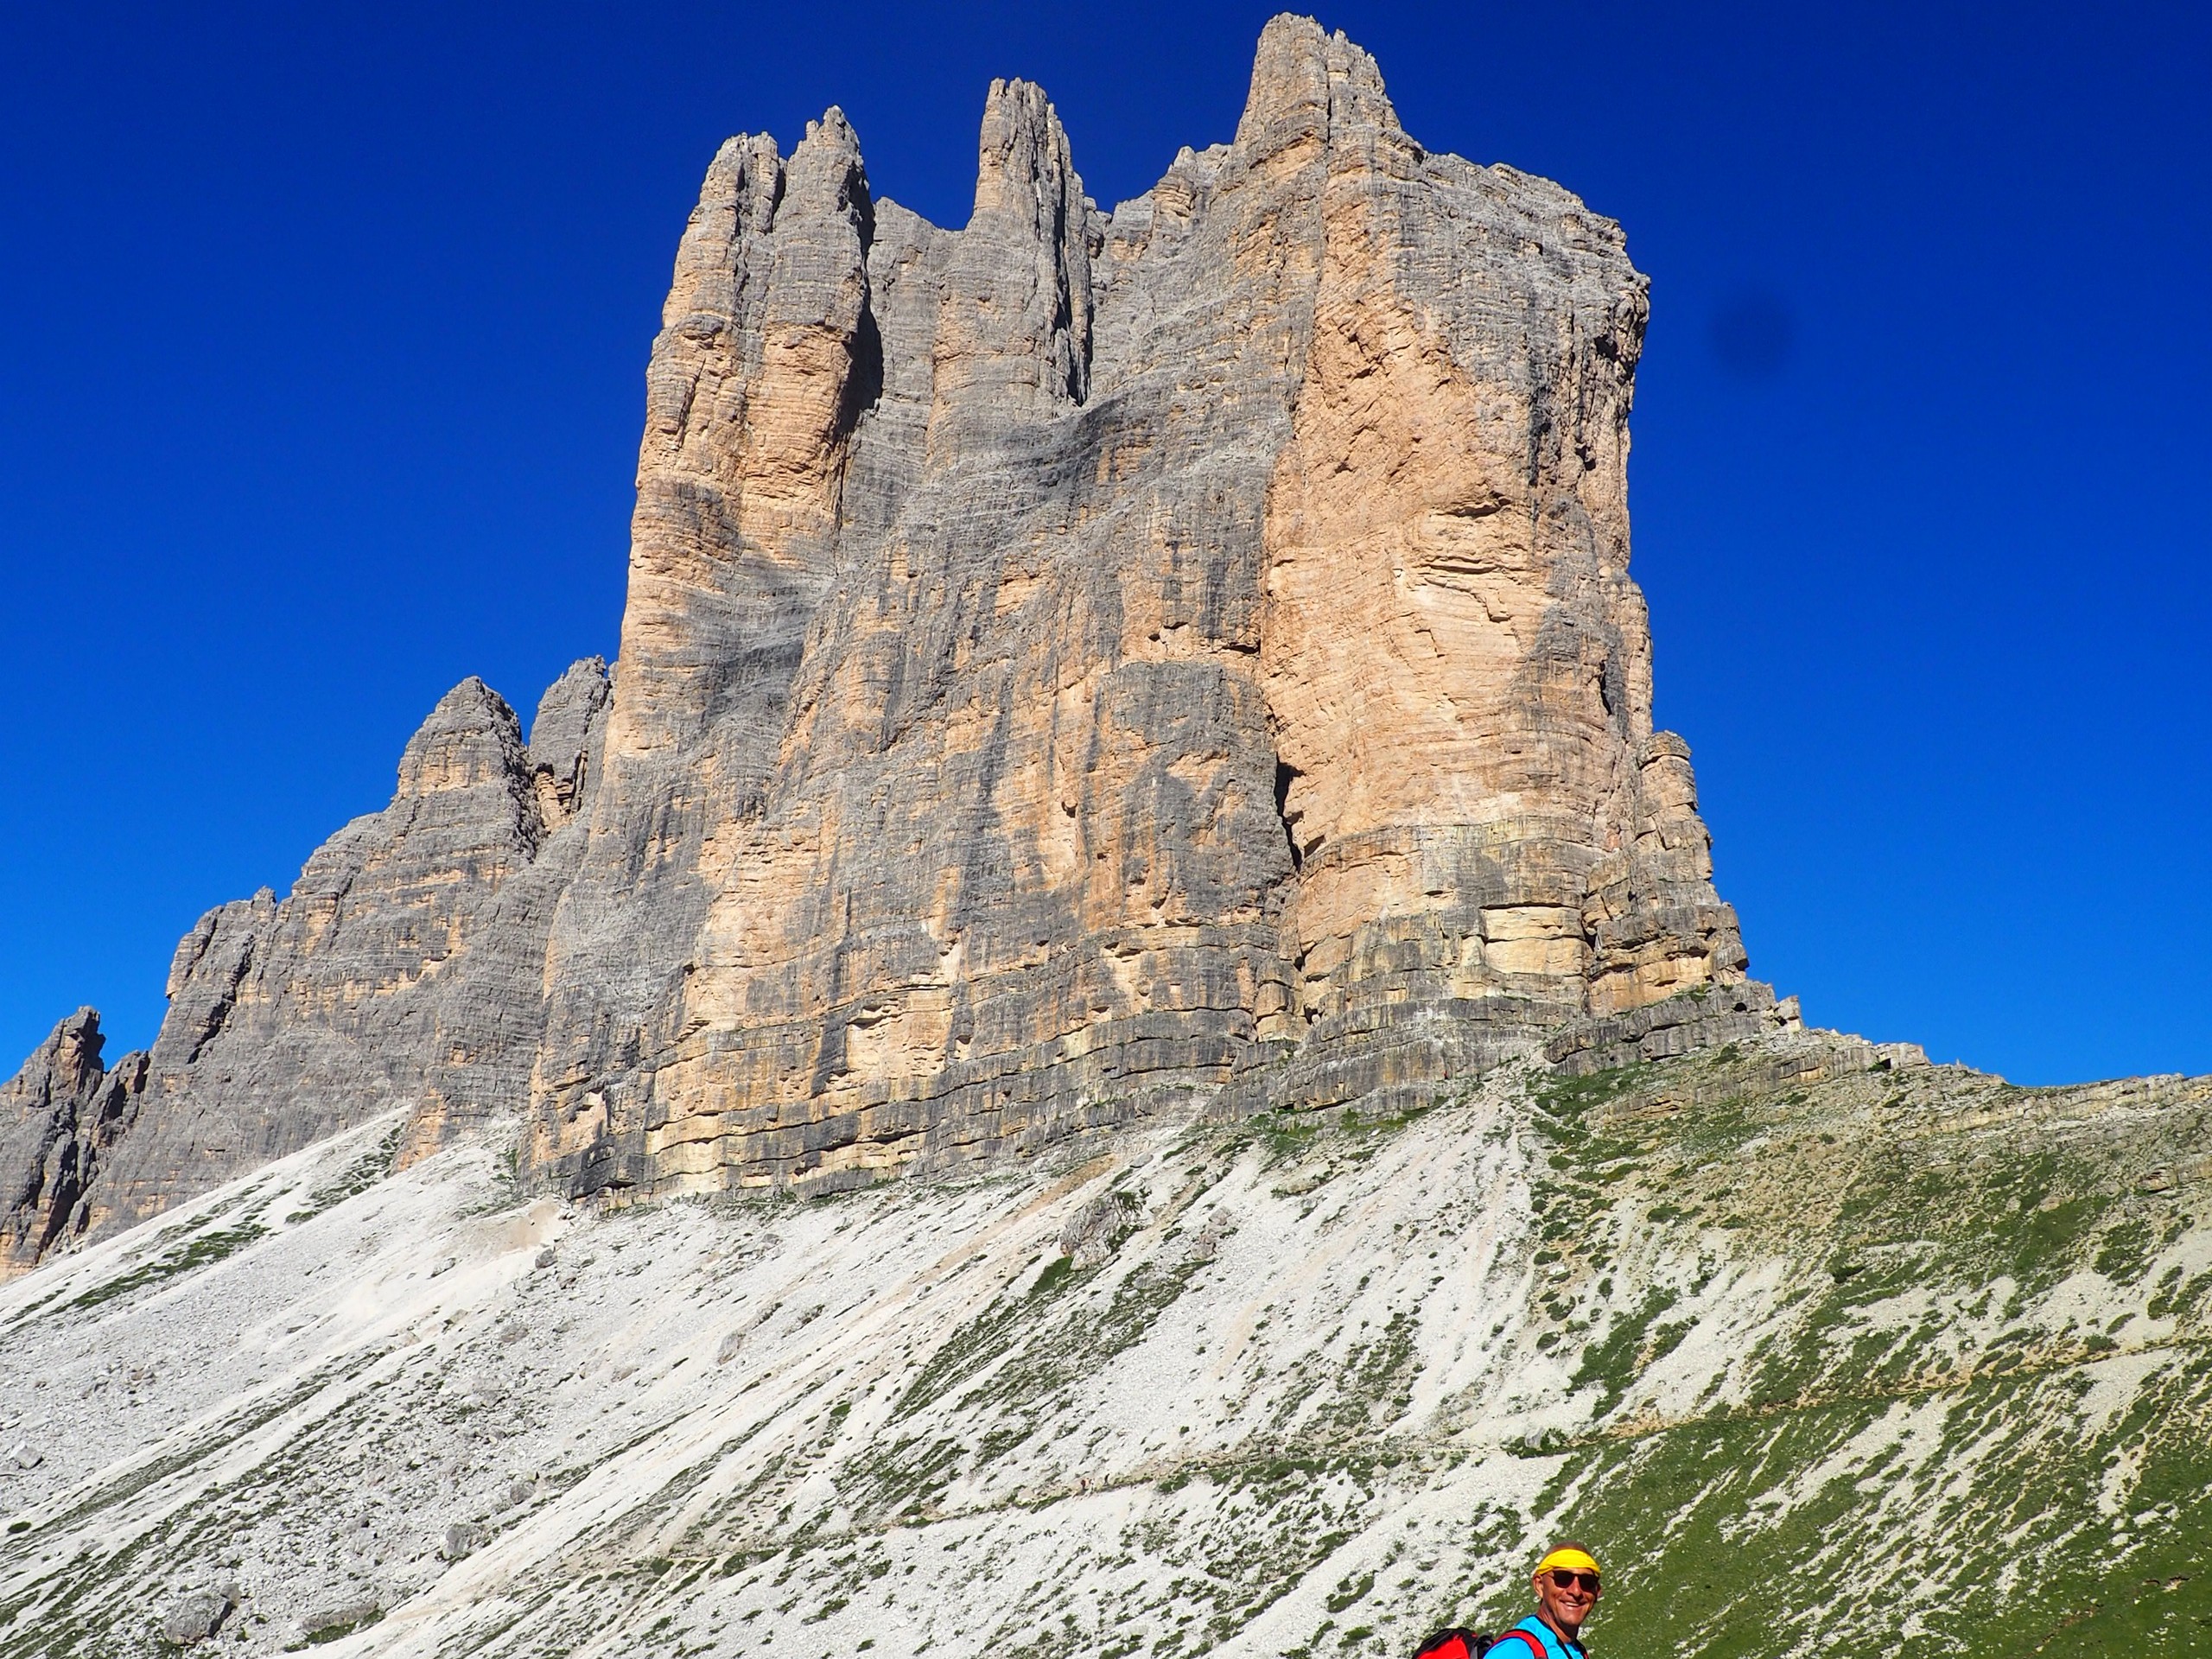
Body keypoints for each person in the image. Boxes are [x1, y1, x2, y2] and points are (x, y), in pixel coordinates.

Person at [1497, 1541, 1604, 1658]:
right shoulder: (1516, 1649)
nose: (1576, 1591)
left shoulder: (1575, 1650)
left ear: (1597, 1592)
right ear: (1539, 1585)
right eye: (1563, 1578)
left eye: (1587, 1582)